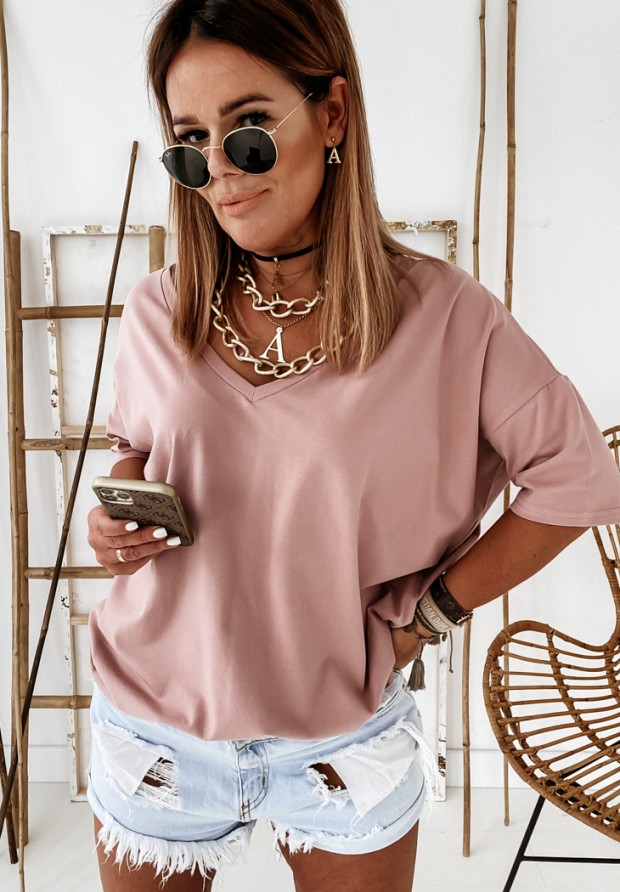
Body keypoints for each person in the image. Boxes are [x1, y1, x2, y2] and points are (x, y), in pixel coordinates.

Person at [85, 1, 620, 890]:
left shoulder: (447, 319)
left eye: (248, 130)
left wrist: (434, 613)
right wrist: (119, 517)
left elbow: (578, 478)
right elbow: (135, 445)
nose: (221, 173)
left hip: (340, 738)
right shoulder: (158, 308)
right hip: (154, 730)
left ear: (331, 113)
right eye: (191, 145)